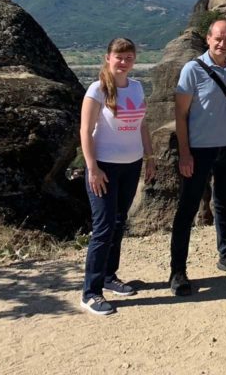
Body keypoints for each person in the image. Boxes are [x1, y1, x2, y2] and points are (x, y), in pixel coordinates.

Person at [169, 19, 226, 296]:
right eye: (218, 38)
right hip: (198, 150)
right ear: (208, 38)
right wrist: (184, 153)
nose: (222, 43)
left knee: (224, 203)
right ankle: (178, 271)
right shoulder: (192, 69)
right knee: (187, 208)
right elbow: (180, 114)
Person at [79, 37, 155, 315]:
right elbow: (85, 132)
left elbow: (143, 125)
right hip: (104, 167)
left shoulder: (136, 87)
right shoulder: (97, 90)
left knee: (119, 222)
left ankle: (109, 276)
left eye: (129, 57)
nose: (124, 63)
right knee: (103, 228)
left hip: (131, 164)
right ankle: (90, 292)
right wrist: (92, 167)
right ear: (108, 58)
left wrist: (149, 157)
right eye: (119, 57)